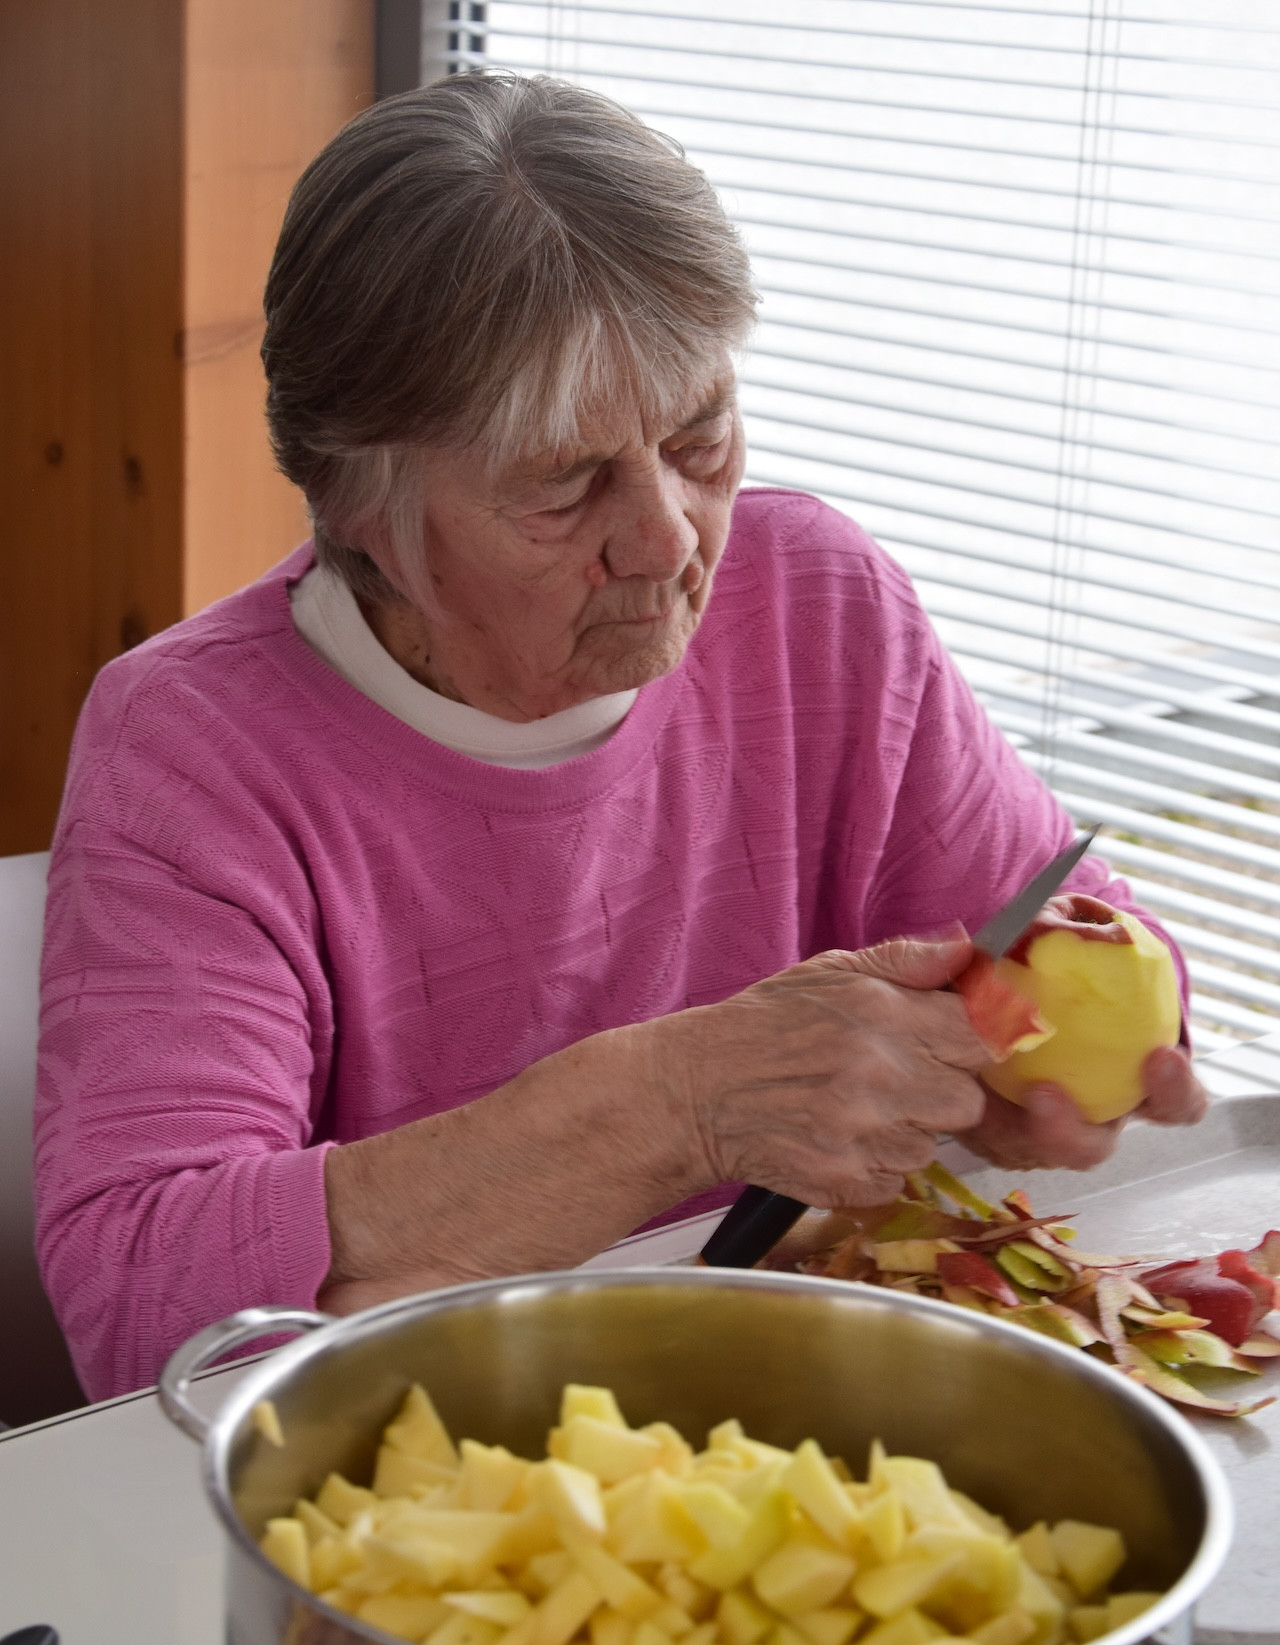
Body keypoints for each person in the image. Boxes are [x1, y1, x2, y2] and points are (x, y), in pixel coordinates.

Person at [34, 74, 1204, 1401]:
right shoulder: (191, 746)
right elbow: (147, 1314)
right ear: (359, 502)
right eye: (561, 483)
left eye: (700, 435)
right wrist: (672, 1103)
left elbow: (1080, 941)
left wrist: (1029, 1054)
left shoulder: (816, 598)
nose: (668, 539)